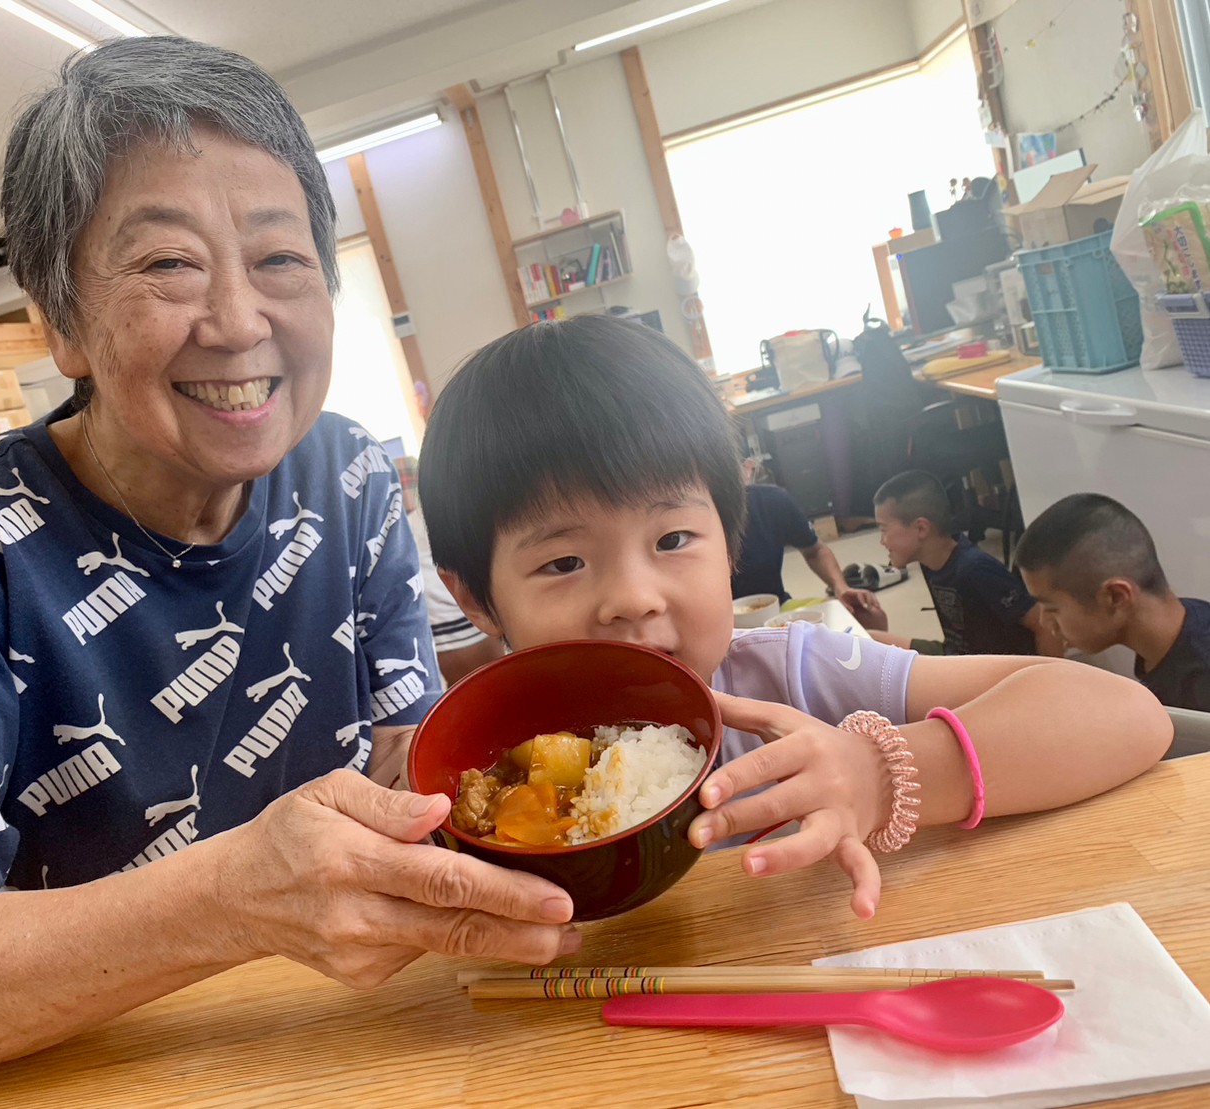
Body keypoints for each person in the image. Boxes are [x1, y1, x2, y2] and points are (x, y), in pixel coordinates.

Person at [0, 38, 577, 1095]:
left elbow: (412, 766)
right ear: (57, 318)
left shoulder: (346, 470)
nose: (239, 320)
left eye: (280, 259)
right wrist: (232, 896)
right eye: (168, 264)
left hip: (351, 1042)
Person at [417, 316, 1168, 920]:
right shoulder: (464, 771)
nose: (634, 597)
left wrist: (878, 772)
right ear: (477, 598)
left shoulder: (796, 675)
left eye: (672, 539)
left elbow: (1125, 712)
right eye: (562, 562)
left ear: (730, 541)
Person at [1015, 493, 1210, 712]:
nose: (1044, 622)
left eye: (1052, 609)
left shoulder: (1200, 687)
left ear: (1116, 597)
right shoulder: (1181, 626)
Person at [869, 470, 1059, 657]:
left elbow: (1042, 624)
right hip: (960, 657)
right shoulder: (930, 562)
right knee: (870, 640)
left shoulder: (975, 569)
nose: (882, 541)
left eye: (884, 530)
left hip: (995, 672)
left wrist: (1049, 682)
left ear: (921, 528)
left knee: (886, 660)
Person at [731, 457, 885, 629]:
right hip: (716, 627)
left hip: (776, 609)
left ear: (747, 468)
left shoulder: (772, 501)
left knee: (869, 616)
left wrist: (840, 587)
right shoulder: (697, 517)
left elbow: (815, 551)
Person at [397, 455, 505, 685]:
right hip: (461, 625)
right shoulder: (454, 515)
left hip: (439, 628)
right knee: (499, 690)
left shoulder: (412, 523)